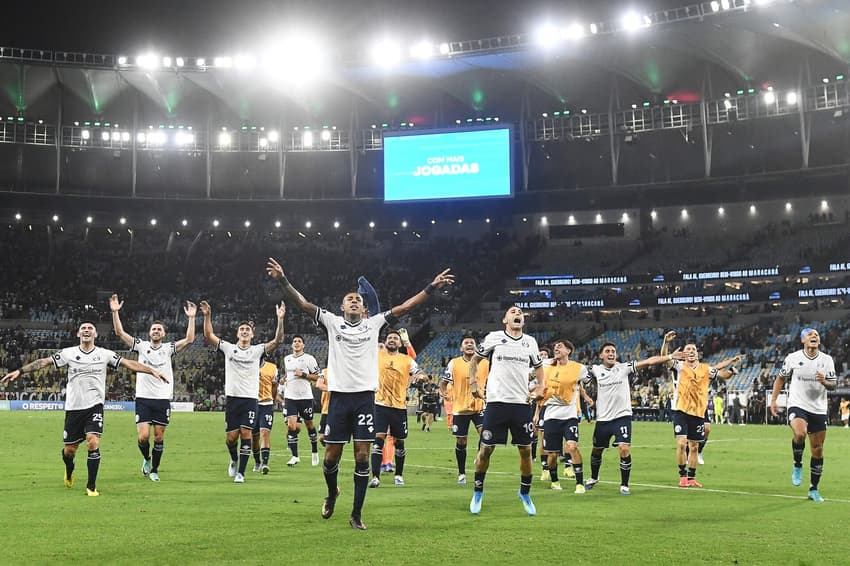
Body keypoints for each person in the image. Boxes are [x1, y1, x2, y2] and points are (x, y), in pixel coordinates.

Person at [267, 257, 453, 530]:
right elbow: (303, 304)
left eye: (358, 299)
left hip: (365, 399)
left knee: (362, 456)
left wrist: (431, 287)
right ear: (342, 307)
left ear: (365, 308)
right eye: (349, 299)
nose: (354, 301)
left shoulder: (374, 324)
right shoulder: (331, 322)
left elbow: (406, 307)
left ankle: (356, 514)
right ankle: (332, 492)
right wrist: (283, 279)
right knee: (331, 457)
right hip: (339, 399)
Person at [1, 321, 166, 496]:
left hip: (95, 406)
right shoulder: (69, 353)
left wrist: (151, 371)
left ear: (95, 334)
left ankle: (91, 487)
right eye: (83, 329)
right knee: (69, 451)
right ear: (78, 334)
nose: (86, 330)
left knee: (92, 442)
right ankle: (69, 469)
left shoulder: (104, 354)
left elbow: (129, 363)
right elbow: (43, 362)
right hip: (74, 408)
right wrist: (20, 371)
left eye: (90, 329)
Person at [109, 294, 197, 482]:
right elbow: (120, 333)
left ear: (164, 334)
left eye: (159, 329)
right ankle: (147, 458)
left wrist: (191, 317)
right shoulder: (141, 346)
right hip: (143, 398)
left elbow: (189, 339)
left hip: (162, 398)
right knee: (143, 437)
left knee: (158, 437)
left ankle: (155, 470)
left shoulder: (168, 348)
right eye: (154, 329)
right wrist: (115, 312)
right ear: (149, 333)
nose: (156, 331)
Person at [468, 306, 545, 516]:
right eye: (513, 312)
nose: (517, 314)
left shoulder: (530, 342)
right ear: (505, 320)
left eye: (520, 312)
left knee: (526, 450)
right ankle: (478, 492)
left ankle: (525, 493)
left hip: (521, 404)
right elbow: (474, 360)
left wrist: (541, 386)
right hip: (496, 403)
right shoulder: (494, 338)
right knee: (486, 450)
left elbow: (539, 367)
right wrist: (473, 383)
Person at [583, 342, 686, 495]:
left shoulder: (623, 368)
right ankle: (593, 477)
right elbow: (576, 373)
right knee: (597, 450)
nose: (611, 353)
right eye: (607, 351)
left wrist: (670, 356)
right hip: (603, 419)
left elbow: (649, 361)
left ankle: (624, 485)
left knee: (624, 448)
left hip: (622, 416)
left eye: (613, 351)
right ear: (601, 355)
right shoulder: (595, 370)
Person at [200, 300, 285, 484]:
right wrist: (207, 315)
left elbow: (277, 340)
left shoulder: (257, 351)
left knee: (246, 434)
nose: (245, 331)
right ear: (237, 334)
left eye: (247, 329)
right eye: (242, 329)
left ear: (252, 334)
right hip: (233, 399)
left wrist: (280, 319)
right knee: (231, 438)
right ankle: (234, 459)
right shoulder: (229, 348)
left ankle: (241, 473)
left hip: (250, 400)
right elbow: (208, 335)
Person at [660, 331, 740, 488]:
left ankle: (691, 478)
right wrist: (666, 342)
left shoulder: (706, 369)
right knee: (681, 444)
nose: (691, 351)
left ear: (697, 354)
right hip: (681, 410)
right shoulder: (679, 366)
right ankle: (682, 477)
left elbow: (722, 375)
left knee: (694, 447)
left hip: (698, 412)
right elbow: (664, 358)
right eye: (688, 349)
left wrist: (731, 372)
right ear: (684, 354)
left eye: (693, 349)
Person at [770, 327, 837, 503]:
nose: (814, 336)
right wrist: (773, 400)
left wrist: (825, 382)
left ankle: (813, 489)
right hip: (797, 405)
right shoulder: (793, 358)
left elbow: (834, 384)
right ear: (802, 340)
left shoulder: (827, 360)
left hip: (818, 409)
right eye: (810, 334)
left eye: (816, 335)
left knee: (818, 449)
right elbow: (780, 378)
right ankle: (797, 464)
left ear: (819, 341)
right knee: (800, 433)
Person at [369, 330, 423, 487]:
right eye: (389, 338)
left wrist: (421, 376)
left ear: (400, 343)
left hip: (399, 407)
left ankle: (398, 475)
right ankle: (375, 477)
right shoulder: (376, 356)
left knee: (399, 442)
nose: (392, 340)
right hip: (380, 404)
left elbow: (420, 372)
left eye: (395, 338)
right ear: (385, 342)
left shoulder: (406, 360)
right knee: (378, 440)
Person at [541, 339, 592, 493]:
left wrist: (585, 395)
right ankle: (555, 481)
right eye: (555, 346)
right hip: (551, 415)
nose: (556, 348)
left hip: (569, 415)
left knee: (572, 446)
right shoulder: (547, 366)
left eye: (560, 346)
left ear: (568, 351)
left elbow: (587, 380)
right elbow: (534, 379)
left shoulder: (579, 368)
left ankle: (580, 483)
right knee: (552, 454)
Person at [440, 335, 488, 485]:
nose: (469, 345)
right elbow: (444, 382)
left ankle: (479, 455)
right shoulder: (454, 363)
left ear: (476, 347)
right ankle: (461, 472)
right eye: (466, 343)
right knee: (461, 440)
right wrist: (444, 391)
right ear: (461, 348)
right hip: (460, 408)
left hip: (479, 405)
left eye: (472, 343)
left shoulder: (485, 363)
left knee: (485, 435)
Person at [281, 335, 321, 467]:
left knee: (309, 424)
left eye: (299, 341)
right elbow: (289, 374)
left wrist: (303, 374)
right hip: (290, 397)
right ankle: (295, 456)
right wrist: (284, 378)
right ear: (292, 345)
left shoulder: (309, 359)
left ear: (303, 345)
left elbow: (318, 377)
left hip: (305, 397)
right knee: (291, 426)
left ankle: (314, 451)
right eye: (294, 341)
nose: (296, 343)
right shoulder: (287, 359)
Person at [252, 358, 279, 474]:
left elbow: (274, 385)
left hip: (266, 404)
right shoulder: (248, 365)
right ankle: (257, 461)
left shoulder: (272, 367)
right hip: (252, 404)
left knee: (265, 433)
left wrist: (272, 400)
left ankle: (265, 463)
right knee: (254, 437)